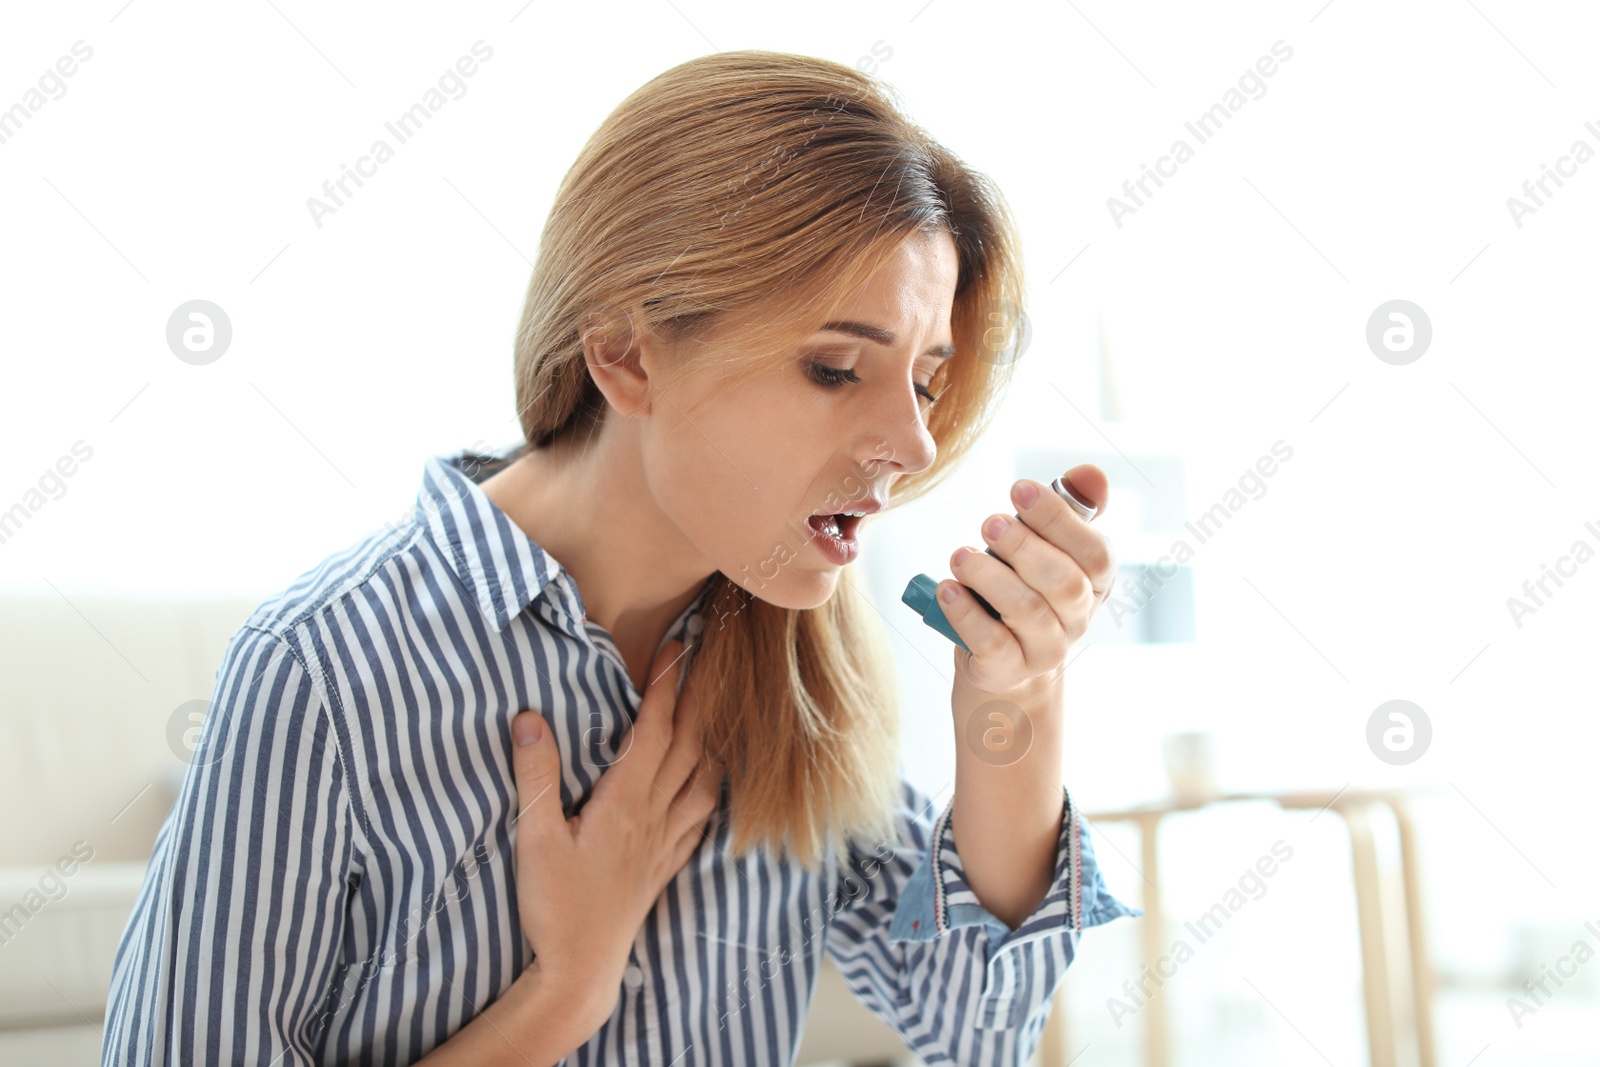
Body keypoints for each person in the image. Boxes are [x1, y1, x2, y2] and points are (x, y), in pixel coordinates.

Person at [101, 48, 1139, 1066]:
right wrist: (561, 997)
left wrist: (1019, 694)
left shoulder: (797, 668)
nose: (913, 445)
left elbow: (976, 1030)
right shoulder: (327, 669)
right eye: (834, 367)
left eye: (923, 379)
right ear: (626, 353)